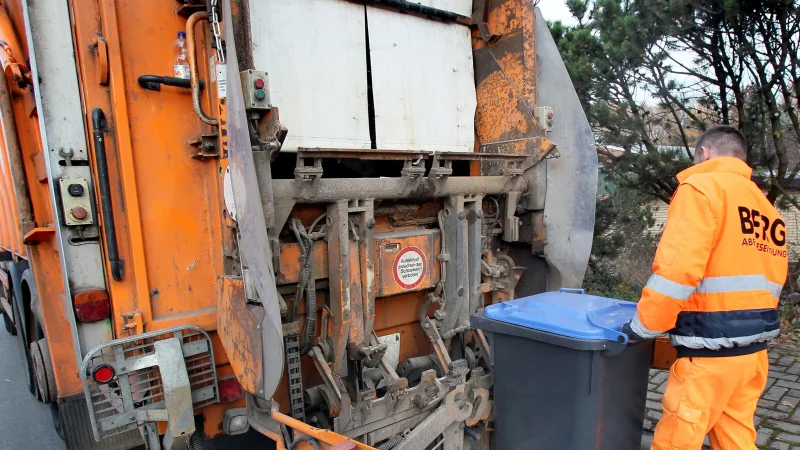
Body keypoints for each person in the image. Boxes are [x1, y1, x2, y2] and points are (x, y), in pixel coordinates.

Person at [621, 125, 788, 450]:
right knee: (736, 439)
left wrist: (643, 326)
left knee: (675, 443)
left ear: (705, 154)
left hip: (710, 354)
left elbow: (677, 270)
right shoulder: (766, 210)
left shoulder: (701, 188)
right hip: (752, 356)